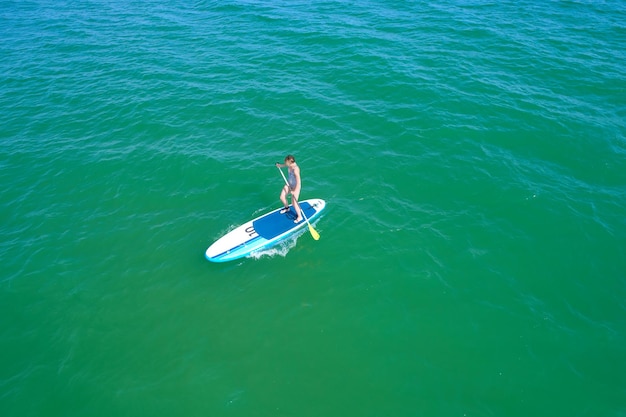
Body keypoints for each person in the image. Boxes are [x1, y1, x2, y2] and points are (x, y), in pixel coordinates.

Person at [275, 155, 303, 223]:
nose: (285, 163)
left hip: (296, 187)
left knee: (294, 203)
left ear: (290, 162)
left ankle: (300, 217)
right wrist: (279, 165)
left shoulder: (295, 170)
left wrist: (294, 191)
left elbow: (299, 182)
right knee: (282, 197)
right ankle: (287, 208)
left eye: (286, 162)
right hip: (289, 184)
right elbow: (284, 165)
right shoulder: (289, 164)